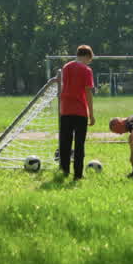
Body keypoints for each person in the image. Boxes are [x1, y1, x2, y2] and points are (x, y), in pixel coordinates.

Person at [55, 45, 95, 180]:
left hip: (65, 109)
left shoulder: (66, 67)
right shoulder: (86, 70)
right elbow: (88, 92)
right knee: (79, 144)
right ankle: (78, 174)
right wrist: (91, 114)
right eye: (90, 60)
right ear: (87, 56)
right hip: (80, 111)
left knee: (65, 142)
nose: (89, 62)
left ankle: (64, 170)